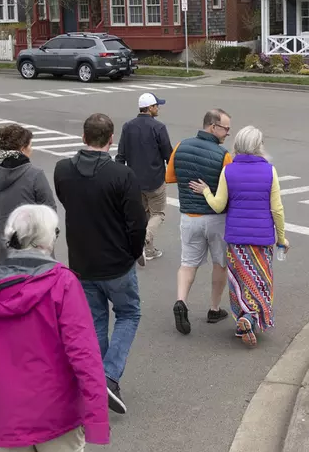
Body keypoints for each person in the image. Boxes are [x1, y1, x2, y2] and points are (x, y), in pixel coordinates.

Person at [0, 204, 111, 452]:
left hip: (3, 412)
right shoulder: (62, 282)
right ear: (48, 237)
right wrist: (97, 418)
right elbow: (84, 354)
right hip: (55, 412)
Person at [53, 113, 147, 415]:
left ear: (83, 137)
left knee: (94, 322)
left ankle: (96, 381)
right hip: (116, 262)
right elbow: (137, 223)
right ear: (111, 140)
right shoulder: (122, 175)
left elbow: (68, 201)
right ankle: (108, 375)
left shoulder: (62, 170)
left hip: (81, 262)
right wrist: (133, 253)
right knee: (129, 313)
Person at [189, 126, 288, 348]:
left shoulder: (229, 171)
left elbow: (218, 206)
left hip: (236, 239)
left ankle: (244, 315)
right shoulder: (269, 171)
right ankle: (251, 318)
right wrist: (281, 238)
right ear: (258, 146)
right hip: (262, 239)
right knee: (261, 281)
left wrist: (206, 190)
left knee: (241, 282)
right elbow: (277, 210)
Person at [165, 108, 233, 336]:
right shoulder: (223, 155)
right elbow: (229, 188)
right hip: (216, 218)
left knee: (188, 263)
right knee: (219, 263)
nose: (227, 134)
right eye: (225, 129)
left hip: (189, 217)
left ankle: (181, 301)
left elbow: (169, 177)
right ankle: (214, 308)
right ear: (213, 126)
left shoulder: (180, 146)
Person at [0, 123, 58, 265]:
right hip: (34, 245)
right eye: (30, 146)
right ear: (23, 148)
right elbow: (49, 210)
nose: (31, 150)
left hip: (1, 242)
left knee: (10, 284)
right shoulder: (34, 174)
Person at [115, 92, 173, 264]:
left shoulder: (127, 126)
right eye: (157, 106)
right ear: (150, 108)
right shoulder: (158, 128)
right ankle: (145, 239)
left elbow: (121, 154)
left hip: (134, 181)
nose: (158, 109)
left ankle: (148, 249)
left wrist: (119, 176)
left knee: (143, 215)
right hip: (155, 181)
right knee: (158, 213)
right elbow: (168, 154)